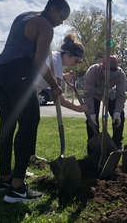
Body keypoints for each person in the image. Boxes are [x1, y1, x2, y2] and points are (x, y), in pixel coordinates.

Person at [0, 0, 70, 203]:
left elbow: (40, 57)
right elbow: (38, 62)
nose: (61, 22)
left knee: (7, 125)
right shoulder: (45, 25)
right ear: (53, 9)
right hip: (18, 71)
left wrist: (53, 80)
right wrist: (55, 86)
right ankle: (17, 188)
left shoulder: (24, 16)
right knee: (30, 122)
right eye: (61, 17)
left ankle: (5, 178)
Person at [31, 33, 88, 162]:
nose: (76, 64)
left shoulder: (57, 59)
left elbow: (51, 74)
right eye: (76, 60)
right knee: (28, 125)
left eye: (79, 62)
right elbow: (58, 98)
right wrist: (76, 108)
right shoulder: (56, 63)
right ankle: (24, 163)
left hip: (31, 91)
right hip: (25, 91)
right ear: (67, 54)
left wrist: (63, 76)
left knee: (32, 123)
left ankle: (31, 156)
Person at [83, 55, 127, 154]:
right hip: (95, 93)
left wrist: (117, 113)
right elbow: (88, 94)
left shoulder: (120, 74)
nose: (110, 76)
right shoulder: (92, 72)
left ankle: (116, 144)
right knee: (91, 120)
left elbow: (121, 95)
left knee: (120, 116)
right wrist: (92, 114)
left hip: (111, 92)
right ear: (102, 67)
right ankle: (93, 146)